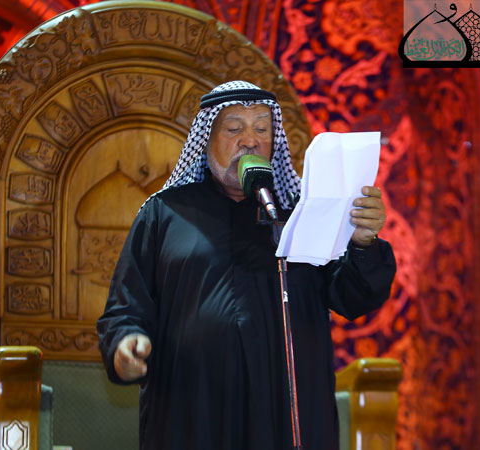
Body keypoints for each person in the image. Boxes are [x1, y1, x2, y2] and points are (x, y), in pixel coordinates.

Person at [97, 81, 396, 450]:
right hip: (192, 407)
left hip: (286, 408)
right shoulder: (166, 213)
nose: (250, 141)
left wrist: (363, 243)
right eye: (234, 128)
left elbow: (352, 297)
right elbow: (126, 306)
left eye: (262, 129)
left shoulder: (300, 213)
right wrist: (125, 342)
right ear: (207, 140)